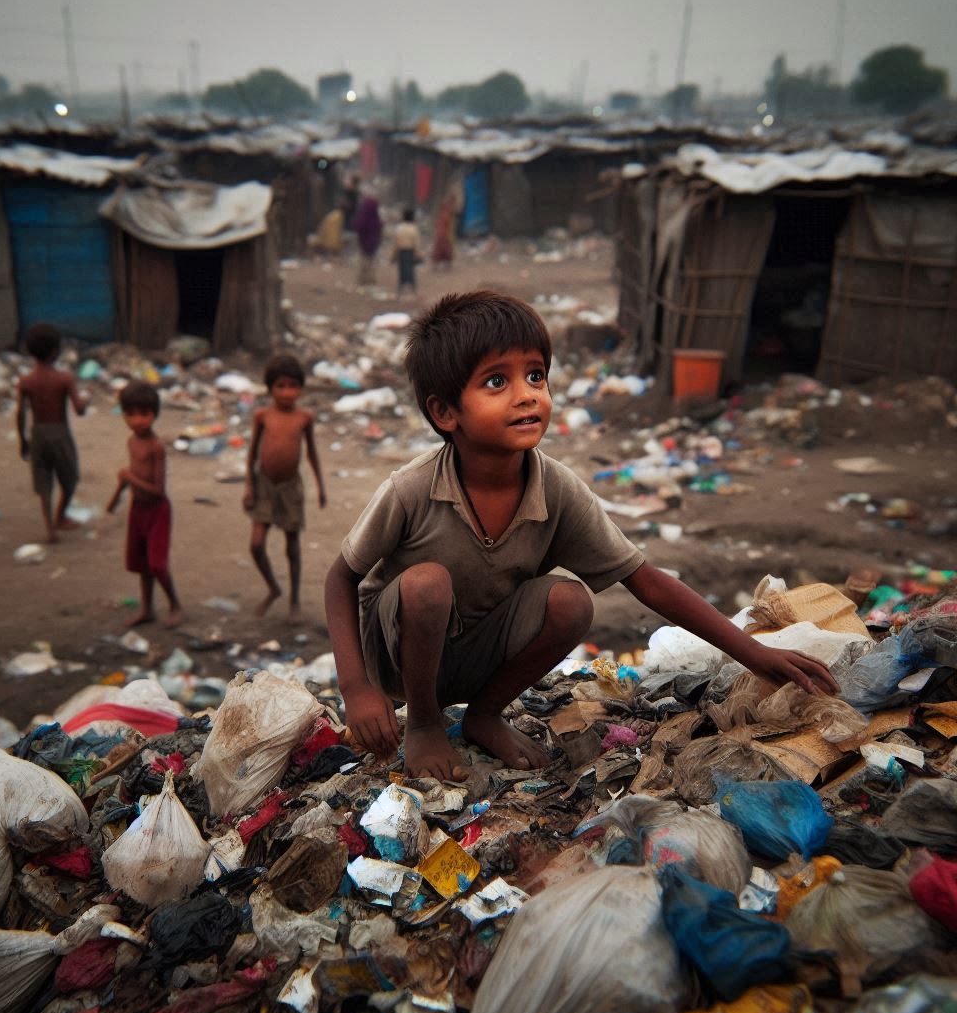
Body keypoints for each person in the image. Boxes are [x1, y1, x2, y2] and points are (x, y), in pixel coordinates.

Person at [324, 291, 839, 782]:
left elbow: (646, 581)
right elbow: (340, 578)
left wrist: (753, 653)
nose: (528, 394)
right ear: (445, 413)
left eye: (535, 375)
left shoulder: (558, 488)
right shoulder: (412, 489)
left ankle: (484, 716)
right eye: (496, 382)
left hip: (477, 655)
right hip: (399, 659)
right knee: (427, 583)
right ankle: (426, 724)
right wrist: (356, 687)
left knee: (571, 602)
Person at [244, 354, 327, 620]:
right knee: (256, 544)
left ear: (300, 388)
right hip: (264, 485)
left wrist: (320, 486)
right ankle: (273, 588)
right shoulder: (262, 415)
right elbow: (252, 453)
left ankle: (294, 600)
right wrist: (249, 486)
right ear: (270, 389)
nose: (287, 392)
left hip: (291, 487)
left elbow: (312, 453)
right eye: (280, 386)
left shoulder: (304, 418)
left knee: (292, 545)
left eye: (293, 386)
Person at [106, 380, 182, 628]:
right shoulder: (132, 442)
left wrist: (129, 478)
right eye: (130, 414)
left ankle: (174, 605)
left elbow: (159, 490)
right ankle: (147, 609)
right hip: (137, 508)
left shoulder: (156, 447)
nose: (137, 420)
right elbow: (129, 474)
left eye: (144, 414)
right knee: (142, 564)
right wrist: (116, 496)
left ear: (154, 414)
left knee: (157, 564)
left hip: (157, 510)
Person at [16, 322, 87, 543]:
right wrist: (86, 400)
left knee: (43, 480)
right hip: (60, 433)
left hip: (38, 433)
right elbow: (79, 410)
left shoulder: (25, 381)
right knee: (70, 478)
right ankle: (61, 516)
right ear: (56, 352)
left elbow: (20, 414)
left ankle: (50, 528)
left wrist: (23, 440)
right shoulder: (65, 378)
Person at [354, 196, 382, 288]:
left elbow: (358, 226)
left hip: (364, 242)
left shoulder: (364, 216)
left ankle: (363, 279)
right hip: (373, 243)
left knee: (364, 261)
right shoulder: (375, 217)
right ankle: (370, 279)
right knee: (371, 261)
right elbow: (379, 228)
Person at [392, 207, 421, 297]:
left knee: (402, 270)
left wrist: (394, 254)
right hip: (410, 251)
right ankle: (414, 290)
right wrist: (417, 253)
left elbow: (396, 242)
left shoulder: (399, 228)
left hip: (401, 251)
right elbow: (416, 242)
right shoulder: (413, 228)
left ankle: (400, 290)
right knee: (411, 271)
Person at [431, 189, 459, 269]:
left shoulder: (446, 211)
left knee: (443, 248)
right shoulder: (446, 212)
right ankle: (438, 264)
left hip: (444, 231)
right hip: (444, 232)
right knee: (443, 248)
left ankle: (441, 264)